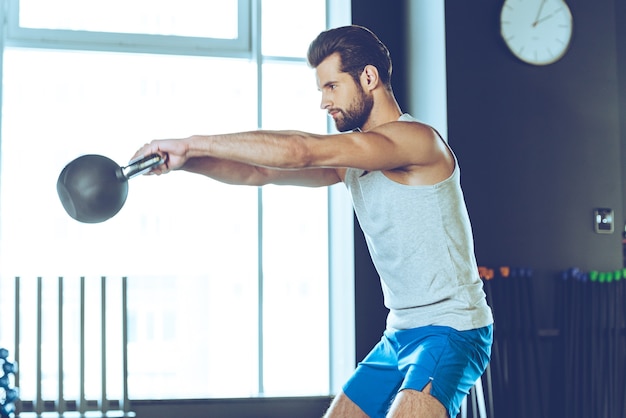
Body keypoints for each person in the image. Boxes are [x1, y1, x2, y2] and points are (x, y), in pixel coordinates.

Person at [132, 25, 493, 418]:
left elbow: (302, 151)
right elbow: (261, 172)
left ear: (368, 78)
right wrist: (185, 163)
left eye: (332, 87)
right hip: (401, 333)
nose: (324, 102)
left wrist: (190, 142)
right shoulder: (354, 162)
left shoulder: (416, 140)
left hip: (452, 328)